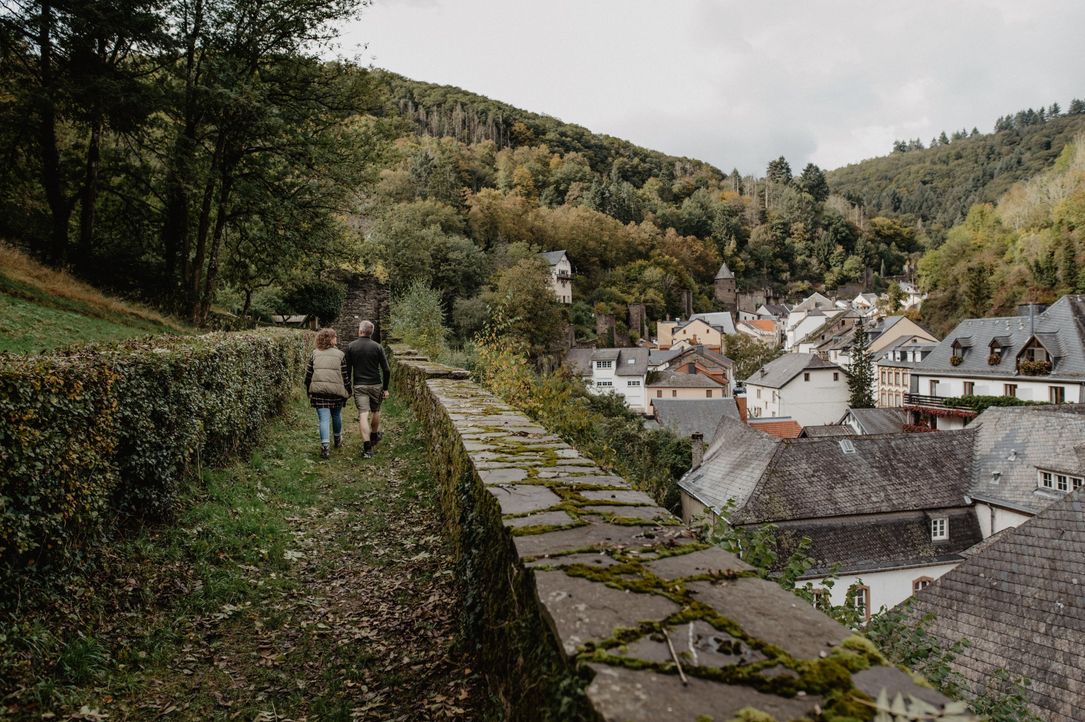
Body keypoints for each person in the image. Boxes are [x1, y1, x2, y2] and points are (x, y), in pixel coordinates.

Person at [345, 319, 390, 459]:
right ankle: (374, 435)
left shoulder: (351, 347)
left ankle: (367, 447)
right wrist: (386, 388)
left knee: (363, 414)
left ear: (360, 331)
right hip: (376, 384)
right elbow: (386, 370)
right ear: (371, 332)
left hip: (359, 385)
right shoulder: (378, 347)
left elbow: (347, 370)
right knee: (376, 410)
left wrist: (348, 387)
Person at [304, 327, 352, 459]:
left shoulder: (314, 353)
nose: (337, 339)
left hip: (319, 392)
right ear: (330, 339)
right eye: (335, 336)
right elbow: (345, 375)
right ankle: (337, 440)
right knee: (336, 415)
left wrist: (308, 388)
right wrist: (348, 389)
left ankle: (325, 448)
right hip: (335, 392)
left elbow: (308, 374)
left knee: (323, 419)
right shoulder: (340, 355)